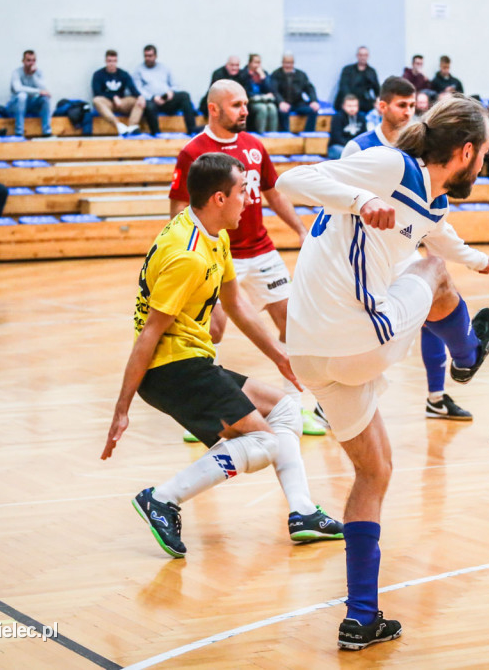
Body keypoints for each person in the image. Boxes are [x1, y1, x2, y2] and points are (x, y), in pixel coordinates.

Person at [277, 93, 489, 649]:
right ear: (468, 151)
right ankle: (468, 356)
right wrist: (359, 200)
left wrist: (477, 259)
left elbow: (437, 233)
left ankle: (361, 618)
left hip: (311, 355)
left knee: (375, 471)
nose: (486, 163)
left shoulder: (431, 200)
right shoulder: (390, 165)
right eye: (487, 154)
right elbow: (288, 181)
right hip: (351, 335)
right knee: (431, 271)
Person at [102, 152, 343, 556]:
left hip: (193, 362)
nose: (250, 201)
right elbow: (148, 333)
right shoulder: (187, 255)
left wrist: (279, 356)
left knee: (284, 409)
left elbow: (236, 305)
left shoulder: (215, 234)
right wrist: (122, 407)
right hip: (171, 370)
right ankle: (162, 499)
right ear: (218, 198)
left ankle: (302, 512)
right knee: (265, 443)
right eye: (242, 193)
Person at [169, 80, 323, 437]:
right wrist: (187, 254)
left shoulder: (254, 146)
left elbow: (273, 193)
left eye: (245, 104)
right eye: (237, 105)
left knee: (292, 323)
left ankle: (295, 407)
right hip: (218, 256)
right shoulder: (194, 152)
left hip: (262, 251)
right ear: (214, 109)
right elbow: (179, 208)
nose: (245, 110)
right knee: (214, 329)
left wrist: (301, 230)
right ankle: (207, 411)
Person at [338, 77, 479, 422]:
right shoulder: (360, 148)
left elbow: (431, 210)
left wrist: (474, 256)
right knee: (356, 330)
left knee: (432, 309)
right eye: (401, 105)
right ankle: (328, 404)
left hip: (404, 247)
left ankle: (435, 396)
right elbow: (339, 203)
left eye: (412, 105)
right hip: (364, 253)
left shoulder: (422, 149)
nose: (408, 112)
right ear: (382, 106)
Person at [133, 45, 199, 136]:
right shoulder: (139, 70)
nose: (147, 58)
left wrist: (170, 92)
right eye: (146, 56)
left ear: (155, 56)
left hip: (166, 98)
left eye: (150, 56)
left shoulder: (164, 68)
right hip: (152, 100)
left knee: (184, 95)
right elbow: (138, 89)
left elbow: (175, 84)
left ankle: (192, 129)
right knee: (149, 106)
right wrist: (153, 97)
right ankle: (156, 133)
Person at [91, 50, 145, 137]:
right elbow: (97, 93)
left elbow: (132, 88)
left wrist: (140, 96)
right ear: (106, 61)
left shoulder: (123, 74)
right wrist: (113, 97)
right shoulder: (98, 75)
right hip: (107, 103)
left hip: (121, 102)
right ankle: (118, 125)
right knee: (96, 100)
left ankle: (132, 126)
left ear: (117, 61)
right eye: (109, 61)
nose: (111, 64)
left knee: (138, 100)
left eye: (114, 61)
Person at [269, 53, 320, 133]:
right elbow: (274, 90)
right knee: (282, 112)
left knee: (313, 110)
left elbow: (309, 88)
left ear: (293, 63)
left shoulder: (301, 75)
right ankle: (286, 135)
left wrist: (314, 101)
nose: (288, 65)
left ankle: (308, 134)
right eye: (286, 63)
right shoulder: (276, 74)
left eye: (290, 63)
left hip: (298, 102)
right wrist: (281, 102)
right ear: (282, 63)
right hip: (283, 103)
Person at [8, 50, 52, 138]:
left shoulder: (38, 73)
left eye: (33, 60)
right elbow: (18, 89)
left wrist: (33, 75)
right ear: (23, 61)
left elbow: (44, 90)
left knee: (45, 98)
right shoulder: (16, 72)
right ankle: (19, 132)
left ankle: (47, 132)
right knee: (22, 96)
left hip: (32, 104)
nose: (31, 63)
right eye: (28, 60)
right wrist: (38, 91)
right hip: (17, 105)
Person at [334, 46, 380, 114]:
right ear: (357, 56)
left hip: (363, 102)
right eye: (361, 55)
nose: (363, 57)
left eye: (365, 55)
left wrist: (378, 100)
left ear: (368, 56)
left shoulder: (371, 72)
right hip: (347, 100)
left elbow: (377, 89)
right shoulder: (347, 70)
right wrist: (351, 103)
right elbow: (344, 87)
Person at [241, 54, 277, 133]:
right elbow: (245, 91)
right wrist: (259, 97)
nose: (257, 65)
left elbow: (271, 90)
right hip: (251, 102)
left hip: (264, 101)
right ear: (249, 63)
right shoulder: (244, 74)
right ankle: (261, 133)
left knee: (272, 108)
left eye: (259, 62)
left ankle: (272, 134)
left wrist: (263, 78)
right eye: (255, 62)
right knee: (262, 109)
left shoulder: (264, 73)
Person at [328, 95, 366, 160]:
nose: (352, 109)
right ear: (343, 106)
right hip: (337, 146)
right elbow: (336, 138)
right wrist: (351, 147)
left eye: (355, 106)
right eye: (349, 106)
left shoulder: (361, 117)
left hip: (356, 147)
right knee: (348, 154)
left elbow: (364, 135)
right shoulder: (337, 117)